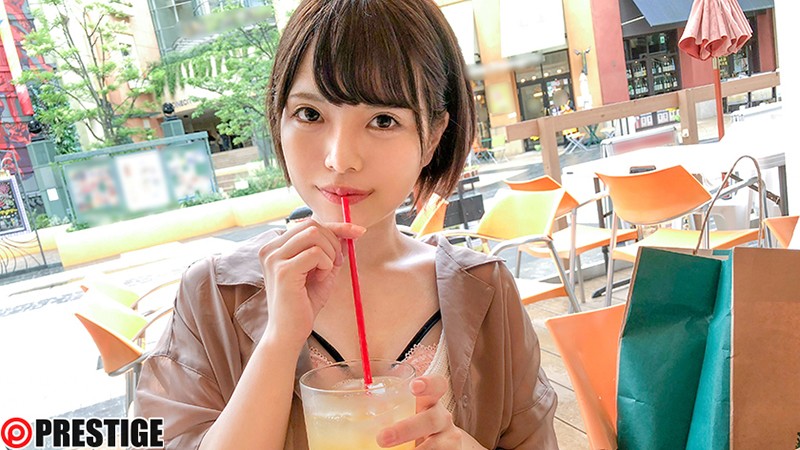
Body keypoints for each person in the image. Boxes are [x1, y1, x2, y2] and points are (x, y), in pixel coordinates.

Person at [134, 0, 558, 449]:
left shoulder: (487, 291)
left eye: (383, 120)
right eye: (310, 114)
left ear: (433, 136)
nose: (340, 158)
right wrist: (279, 341)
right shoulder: (213, 295)